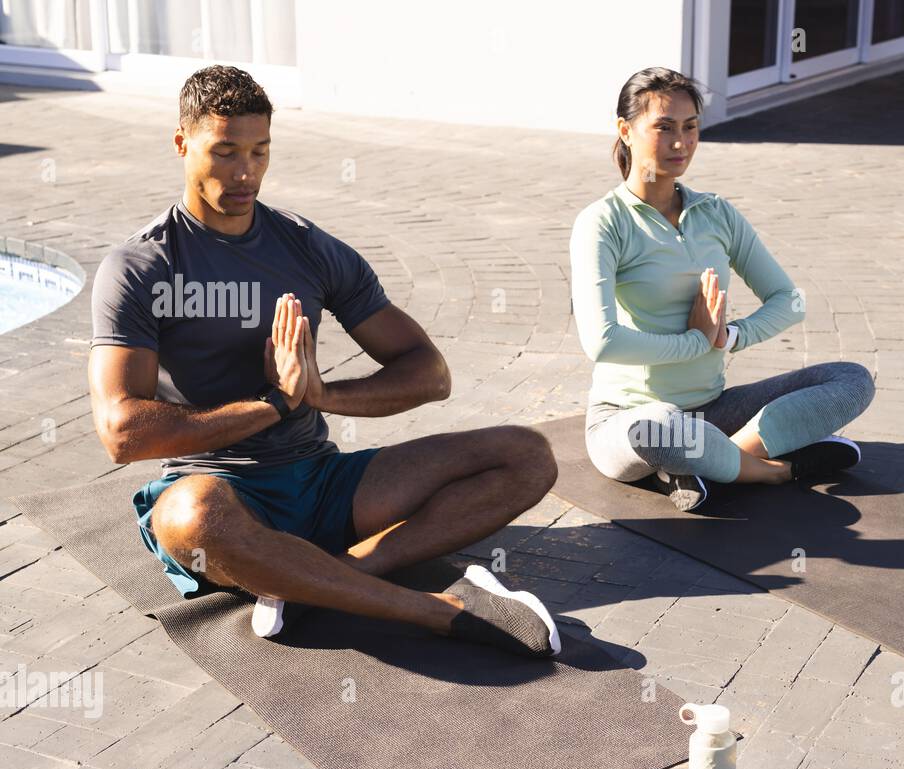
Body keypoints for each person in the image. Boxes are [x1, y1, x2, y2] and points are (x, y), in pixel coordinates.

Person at [87, 65, 560, 658]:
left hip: (322, 481)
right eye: (225, 151)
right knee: (184, 516)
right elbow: (121, 433)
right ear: (182, 144)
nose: (245, 173)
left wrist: (320, 397)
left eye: (260, 152)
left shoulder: (305, 246)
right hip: (224, 493)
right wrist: (271, 404)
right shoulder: (140, 267)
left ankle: (328, 575)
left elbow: (429, 373)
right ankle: (435, 612)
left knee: (526, 455)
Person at [569, 67, 876, 512]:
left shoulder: (715, 213)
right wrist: (695, 341)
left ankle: (712, 463)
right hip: (627, 419)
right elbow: (601, 342)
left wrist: (728, 336)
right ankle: (774, 470)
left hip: (714, 409)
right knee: (661, 426)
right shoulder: (603, 222)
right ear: (626, 131)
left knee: (850, 381)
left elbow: (789, 301)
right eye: (664, 128)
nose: (681, 143)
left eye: (690, 127)